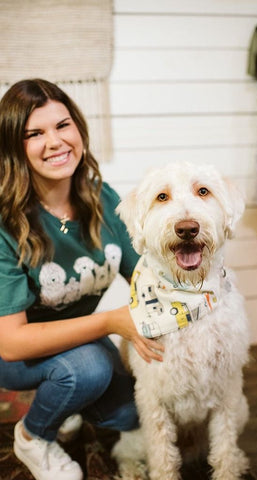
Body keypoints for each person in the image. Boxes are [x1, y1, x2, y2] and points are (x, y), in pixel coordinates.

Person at [0, 78, 164, 480]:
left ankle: (62, 405)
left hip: (77, 339)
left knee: (129, 412)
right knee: (87, 369)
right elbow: (12, 342)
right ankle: (32, 437)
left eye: (62, 125)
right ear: (13, 148)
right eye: (34, 134)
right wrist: (110, 322)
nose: (54, 141)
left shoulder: (101, 198)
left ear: (79, 130)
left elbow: (146, 274)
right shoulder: (5, 221)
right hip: (15, 353)